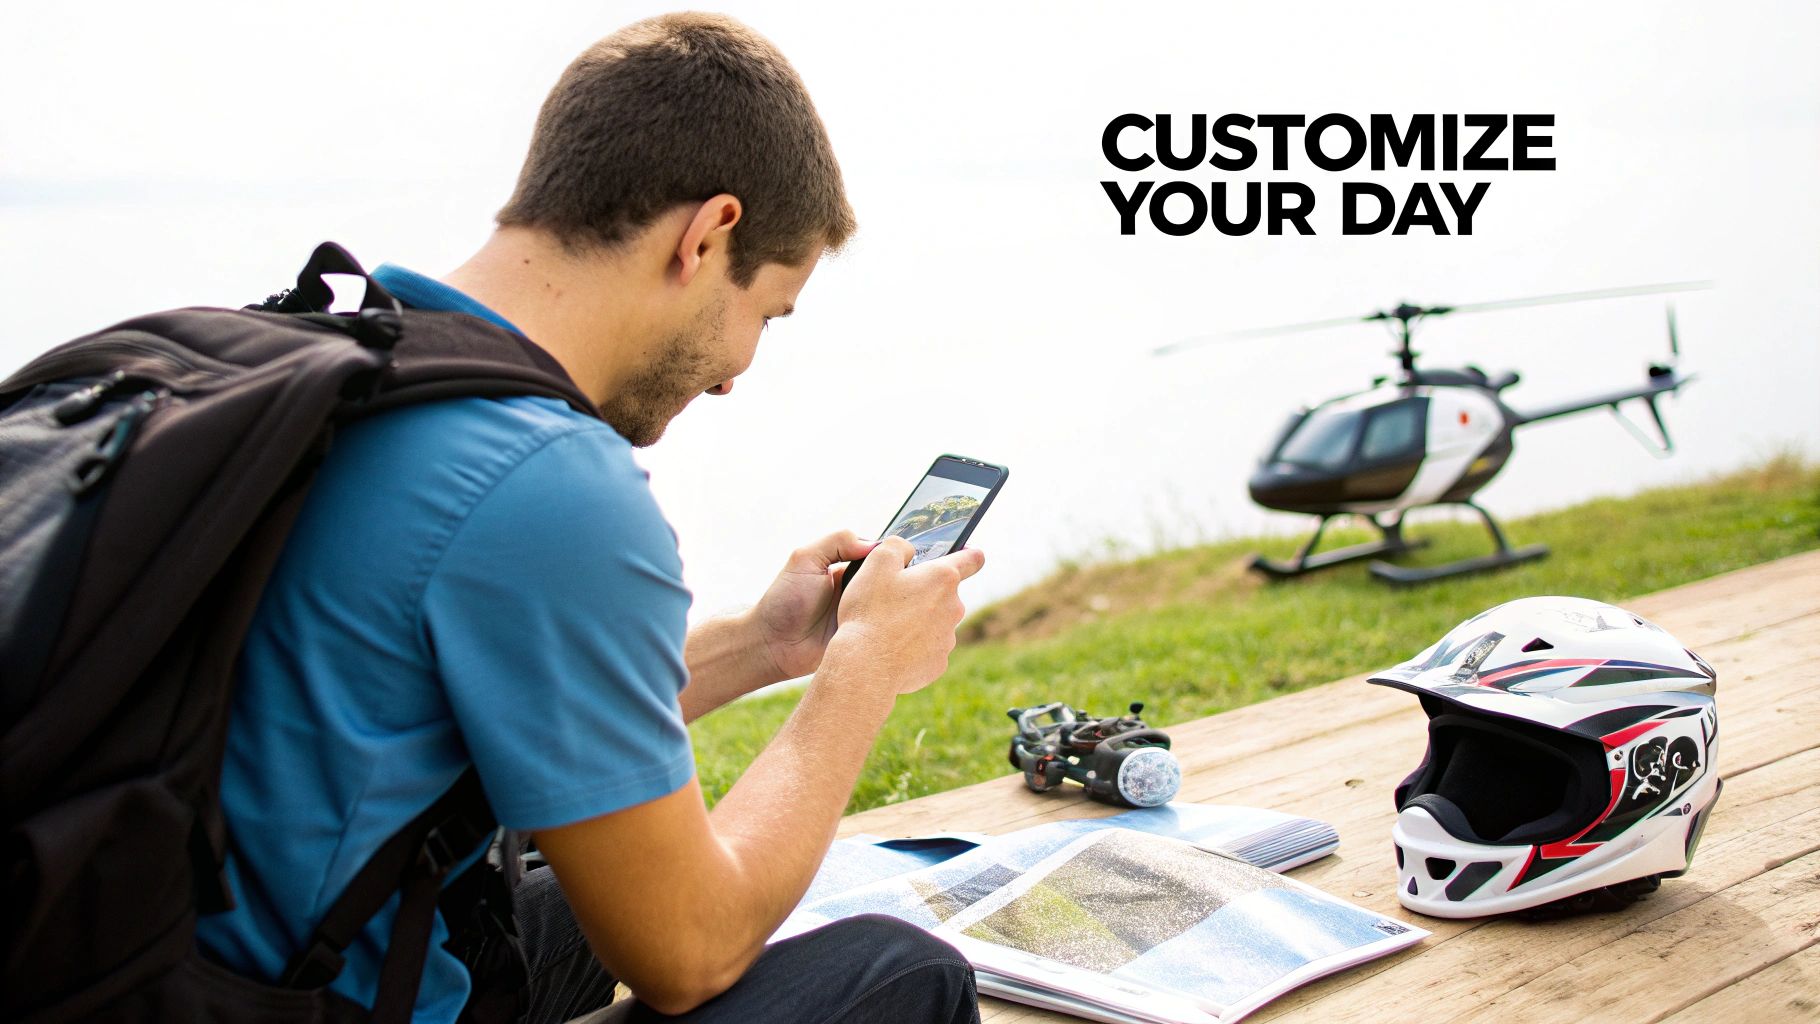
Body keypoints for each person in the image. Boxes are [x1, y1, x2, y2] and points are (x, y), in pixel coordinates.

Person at [193, 13, 983, 1024]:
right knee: (898, 975)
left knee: (561, 896)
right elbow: (686, 952)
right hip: (322, 1001)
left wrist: (761, 644)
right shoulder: (546, 482)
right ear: (707, 236)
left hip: (178, 970)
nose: (739, 372)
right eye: (765, 313)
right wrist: (861, 664)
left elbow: (474, 698)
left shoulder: (351, 366)